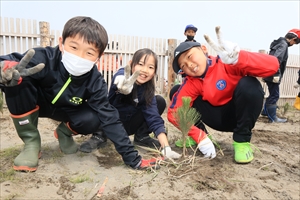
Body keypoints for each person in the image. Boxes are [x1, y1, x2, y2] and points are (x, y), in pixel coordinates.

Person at [0, 16, 158, 172]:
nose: (79, 57)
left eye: (89, 53)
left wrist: (134, 159)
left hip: (67, 110)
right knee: (18, 78)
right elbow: (9, 61)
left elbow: (110, 118)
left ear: (98, 56)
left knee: (97, 116)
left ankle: (64, 132)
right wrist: (5, 69)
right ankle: (31, 142)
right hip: (35, 104)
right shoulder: (43, 57)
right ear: (61, 43)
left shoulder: (95, 81)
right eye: (74, 48)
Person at [168, 26, 279, 164]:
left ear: (203, 49)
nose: (189, 65)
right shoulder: (192, 81)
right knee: (176, 92)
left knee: (250, 85)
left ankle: (242, 142)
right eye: (183, 66)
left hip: (237, 116)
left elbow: (273, 66)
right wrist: (198, 135)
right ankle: (201, 137)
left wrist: (239, 58)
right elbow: (173, 112)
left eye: (190, 56)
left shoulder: (226, 62)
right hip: (214, 118)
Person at [79, 48, 181, 159]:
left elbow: (154, 118)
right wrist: (122, 83)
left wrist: (166, 148)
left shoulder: (147, 90)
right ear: (131, 64)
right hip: (109, 123)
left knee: (159, 101)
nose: (145, 70)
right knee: (101, 105)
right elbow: (120, 77)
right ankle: (99, 136)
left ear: (154, 72)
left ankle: (141, 137)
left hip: (128, 126)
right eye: (141, 64)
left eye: (150, 67)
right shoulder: (122, 75)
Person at [262, 29, 300, 122]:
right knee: (275, 95)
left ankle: (265, 112)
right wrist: (276, 74)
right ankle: (273, 118)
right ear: (293, 39)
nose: (293, 45)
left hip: (269, 73)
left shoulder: (278, 42)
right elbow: (276, 59)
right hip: (273, 74)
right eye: (294, 43)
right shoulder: (283, 45)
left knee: (272, 94)